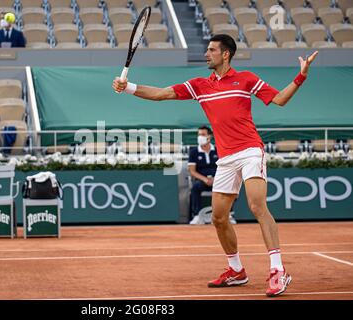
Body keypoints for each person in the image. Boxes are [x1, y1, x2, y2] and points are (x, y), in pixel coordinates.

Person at [112, 34, 318, 297]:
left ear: (226, 54)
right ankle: (236, 271)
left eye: (211, 50)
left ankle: (278, 270)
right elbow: (162, 94)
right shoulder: (200, 85)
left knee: (257, 206)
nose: (206, 54)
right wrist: (128, 87)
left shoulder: (246, 79)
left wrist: (301, 77)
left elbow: (279, 99)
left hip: (250, 151)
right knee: (219, 218)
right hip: (227, 158)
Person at [188, 125, 218, 219]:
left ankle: (228, 214)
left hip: (217, 180)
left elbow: (224, 167)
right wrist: (205, 179)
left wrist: (215, 179)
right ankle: (197, 215)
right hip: (202, 180)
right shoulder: (194, 152)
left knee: (228, 186)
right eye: (199, 135)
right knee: (195, 188)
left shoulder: (218, 150)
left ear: (209, 137)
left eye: (203, 134)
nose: (200, 137)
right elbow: (192, 171)